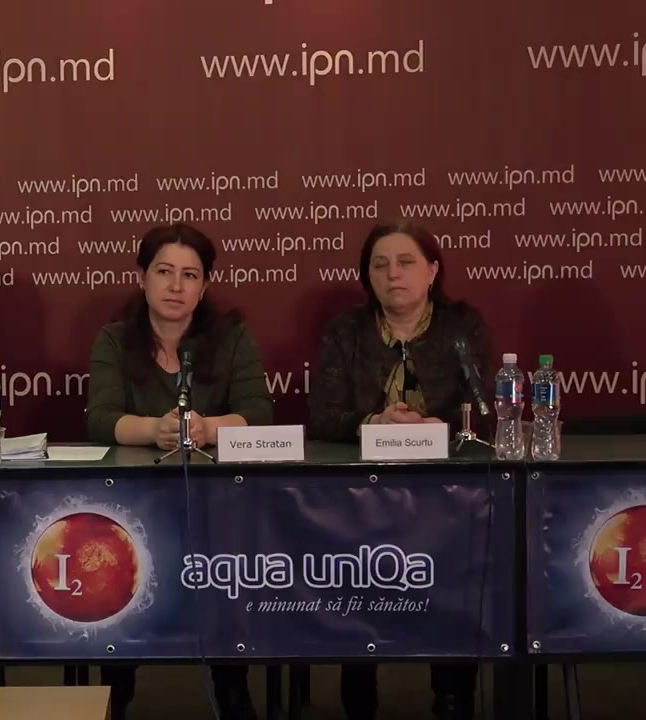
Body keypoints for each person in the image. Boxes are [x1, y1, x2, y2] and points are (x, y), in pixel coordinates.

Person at [85, 223, 274, 720]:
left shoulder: (232, 337)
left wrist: (207, 428)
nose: (175, 285)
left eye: (190, 275)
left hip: (217, 506)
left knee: (230, 564)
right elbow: (100, 420)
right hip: (135, 503)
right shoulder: (114, 339)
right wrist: (156, 429)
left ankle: (232, 683)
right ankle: (117, 687)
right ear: (142, 277)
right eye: (164, 272)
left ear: (204, 285)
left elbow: (258, 413)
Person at [307, 219, 493, 720]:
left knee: (454, 580)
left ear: (432, 271)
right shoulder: (345, 331)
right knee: (356, 578)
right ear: (368, 276)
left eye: (406, 262)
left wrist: (440, 427)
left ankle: (453, 698)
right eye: (380, 265)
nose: (393, 274)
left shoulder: (463, 327)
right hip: (360, 499)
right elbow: (322, 416)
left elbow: (486, 413)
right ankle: (359, 698)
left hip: (446, 496)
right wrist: (374, 422)